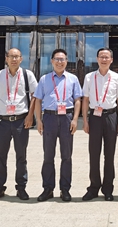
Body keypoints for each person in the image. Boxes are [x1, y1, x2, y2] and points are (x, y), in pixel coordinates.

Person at [0, 48, 38, 201]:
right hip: (2, 122)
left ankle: (21, 187)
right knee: (0, 156)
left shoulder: (27, 75)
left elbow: (35, 96)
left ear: (21, 59)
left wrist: (30, 116)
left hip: (21, 121)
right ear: (6, 58)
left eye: (17, 56)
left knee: (21, 156)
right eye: (11, 56)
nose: (14, 59)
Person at [34, 49, 82, 202]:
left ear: (66, 61)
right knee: (48, 155)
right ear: (52, 61)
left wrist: (75, 119)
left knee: (66, 156)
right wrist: (39, 120)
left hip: (67, 117)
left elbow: (77, 100)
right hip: (49, 117)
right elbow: (38, 100)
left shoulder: (73, 79)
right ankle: (48, 189)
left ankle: (65, 189)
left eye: (62, 59)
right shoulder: (44, 79)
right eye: (57, 59)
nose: (60, 62)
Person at [81, 47, 118, 201]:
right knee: (94, 154)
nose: (104, 59)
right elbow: (85, 100)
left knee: (110, 154)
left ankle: (108, 189)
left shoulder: (117, 78)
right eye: (101, 56)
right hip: (94, 117)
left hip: (111, 116)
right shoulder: (89, 77)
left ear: (111, 60)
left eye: (107, 57)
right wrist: (85, 121)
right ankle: (93, 188)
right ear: (97, 59)